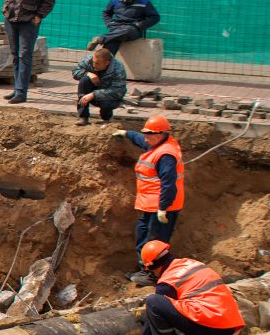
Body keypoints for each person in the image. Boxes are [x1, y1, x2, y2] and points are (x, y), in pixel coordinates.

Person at [112, 116, 184, 286]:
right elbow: (141, 140)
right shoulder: (156, 145)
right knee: (143, 236)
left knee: (155, 242)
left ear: (159, 135)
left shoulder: (166, 155)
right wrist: (126, 133)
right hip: (150, 206)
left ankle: (153, 276)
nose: (145, 138)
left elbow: (169, 184)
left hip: (163, 208)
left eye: (148, 134)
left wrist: (163, 208)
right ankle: (144, 270)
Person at [140, 240, 245, 335]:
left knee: (153, 302)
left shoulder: (167, 281)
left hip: (212, 326)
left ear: (153, 267)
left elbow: (156, 310)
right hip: (231, 324)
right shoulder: (192, 263)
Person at [2, 0, 55, 104]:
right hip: (11, 18)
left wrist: (39, 15)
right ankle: (16, 88)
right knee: (15, 55)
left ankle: (22, 92)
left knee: (24, 56)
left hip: (28, 20)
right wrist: (6, 8)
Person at [87, 0, 160, 55]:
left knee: (128, 30)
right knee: (107, 52)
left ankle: (100, 39)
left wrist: (139, 25)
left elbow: (155, 17)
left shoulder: (143, 2)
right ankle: (105, 66)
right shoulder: (115, 0)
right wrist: (109, 24)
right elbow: (106, 13)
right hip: (116, 28)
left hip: (133, 30)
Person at [72, 48, 126, 126]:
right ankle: (83, 117)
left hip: (108, 96)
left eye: (97, 63)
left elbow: (118, 91)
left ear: (107, 63)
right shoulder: (89, 60)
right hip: (92, 92)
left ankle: (106, 119)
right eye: (94, 62)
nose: (94, 65)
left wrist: (94, 94)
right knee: (84, 80)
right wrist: (87, 73)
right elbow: (75, 72)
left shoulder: (118, 69)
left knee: (107, 104)